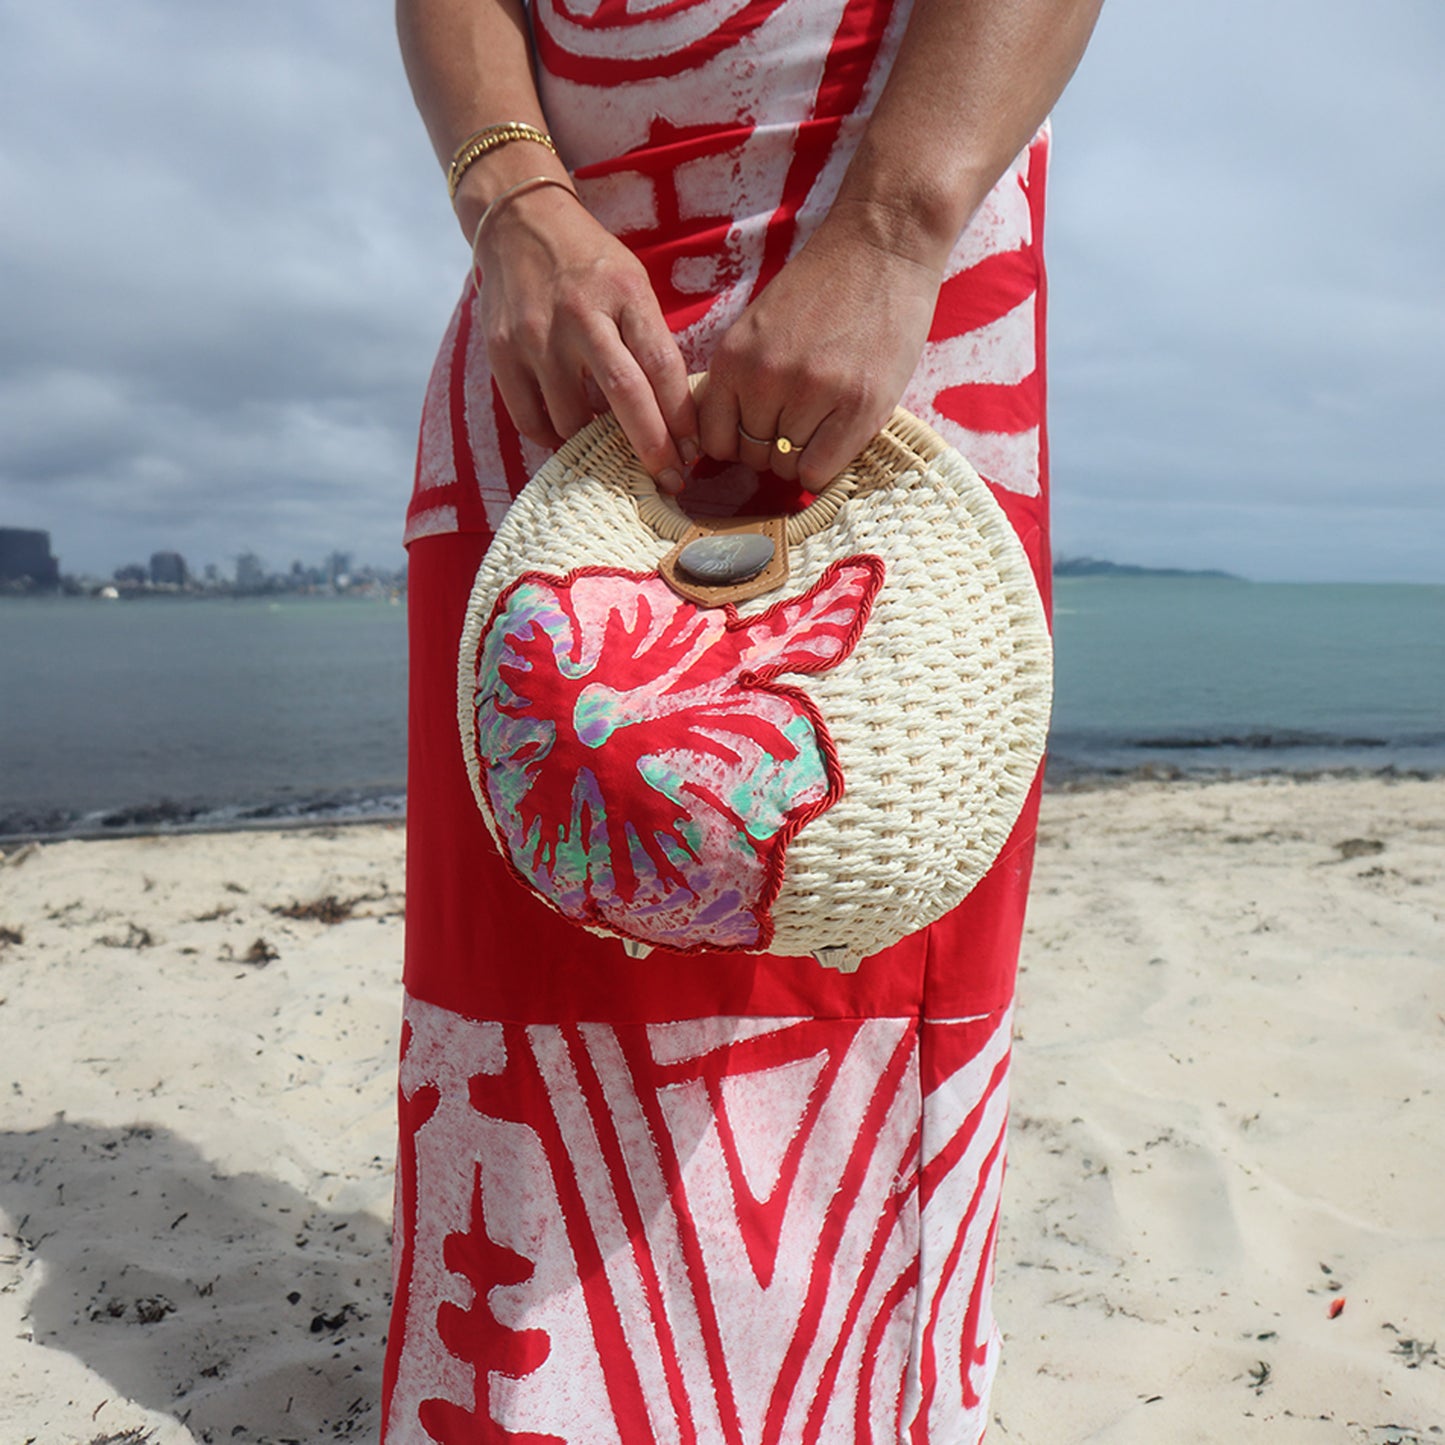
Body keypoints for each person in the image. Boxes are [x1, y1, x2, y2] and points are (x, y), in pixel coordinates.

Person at [385, 1, 1100, 1440]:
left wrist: (895, 231)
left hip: (893, 251)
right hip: (554, 302)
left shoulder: (897, 236)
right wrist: (510, 196)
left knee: (867, 863)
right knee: (535, 914)